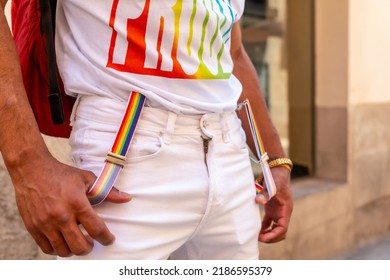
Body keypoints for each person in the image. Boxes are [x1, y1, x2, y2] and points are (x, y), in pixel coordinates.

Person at [0, 0, 293, 259]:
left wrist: (276, 162)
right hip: (126, 154)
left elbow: (233, 52)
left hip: (231, 155)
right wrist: (28, 168)